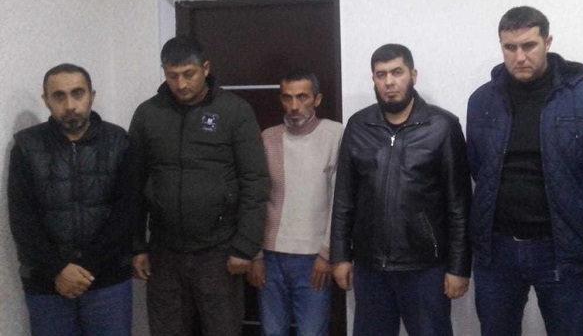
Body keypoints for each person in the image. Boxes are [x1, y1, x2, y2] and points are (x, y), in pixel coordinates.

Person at [466, 6, 583, 336]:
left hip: (565, 251)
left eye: (529, 46)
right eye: (510, 47)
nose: (520, 57)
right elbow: (479, 168)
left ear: (548, 42)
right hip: (496, 251)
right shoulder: (481, 101)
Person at [129, 36, 269, 336]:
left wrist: (245, 247)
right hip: (164, 252)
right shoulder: (148, 114)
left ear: (205, 68)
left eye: (188, 74)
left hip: (218, 252)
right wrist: (137, 246)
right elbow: (133, 184)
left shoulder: (234, 111)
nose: (180, 84)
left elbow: (255, 181)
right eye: (172, 75)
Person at [330, 43, 472, 336]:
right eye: (381, 74)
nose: (389, 82)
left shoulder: (442, 126)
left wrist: (459, 267)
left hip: (425, 268)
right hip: (370, 267)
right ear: (373, 79)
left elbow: (459, 203)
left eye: (397, 72)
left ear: (413, 75)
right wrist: (340, 255)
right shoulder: (358, 126)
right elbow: (344, 198)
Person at [8, 63, 135, 335]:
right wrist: (59, 270)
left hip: (108, 280)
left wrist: (87, 268)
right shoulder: (26, 147)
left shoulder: (118, 142)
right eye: (59, 96)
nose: (70, 105)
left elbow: (126, 213)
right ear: (46, 100)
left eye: (78, 93)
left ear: (92, 95)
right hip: (47, 284)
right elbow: (22, 219)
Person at [247, 70, 343, 336]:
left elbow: (340, 201)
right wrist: (255, 255)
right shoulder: (268, 137)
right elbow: (254, 197)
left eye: (302, 97)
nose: (294, 106)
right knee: (271, 331)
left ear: (317, 99)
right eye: (287, 98)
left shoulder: (334, 134)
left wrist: (327, 253)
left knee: (312, 332)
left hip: (314, 258)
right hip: (271, 256)